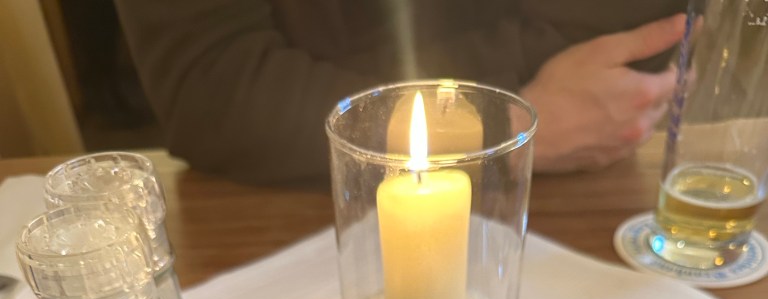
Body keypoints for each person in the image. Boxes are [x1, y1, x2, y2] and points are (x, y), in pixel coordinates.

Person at [113, 0, 689, 185]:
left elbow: (633, 37)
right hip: (286, 215)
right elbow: (211, 92)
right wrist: (496, 127)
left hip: (575, 198)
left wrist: (324, 76)